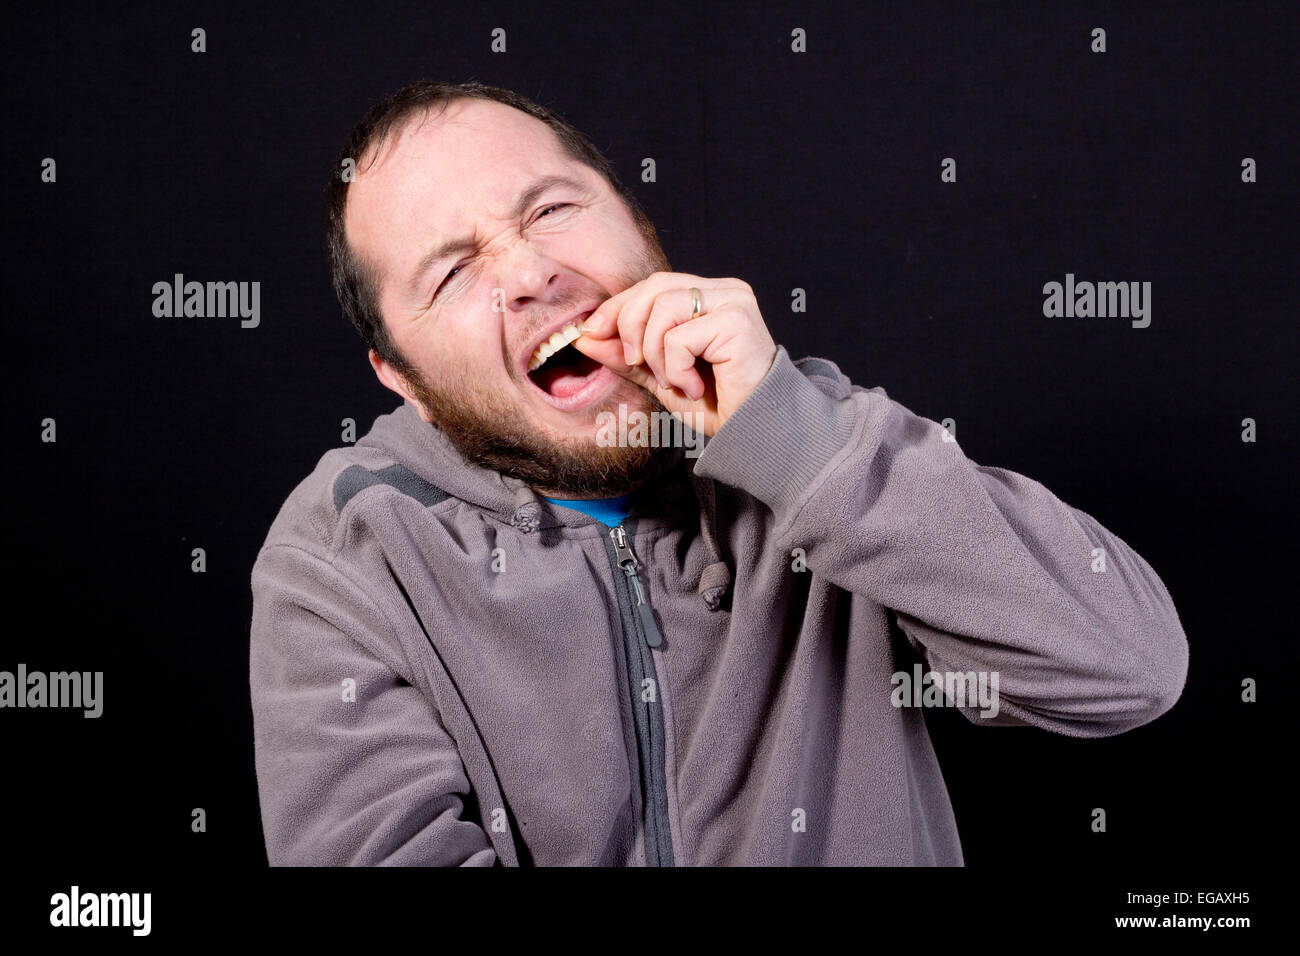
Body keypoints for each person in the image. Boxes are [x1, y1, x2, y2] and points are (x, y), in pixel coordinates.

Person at [249, 80, 1189, 865]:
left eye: (552, 209)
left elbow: (1127, 672)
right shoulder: (344, 550)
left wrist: (798, 444)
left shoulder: (814, 442)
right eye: (452, 273)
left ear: (642, 229)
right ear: (400, 379)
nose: (530, 272)